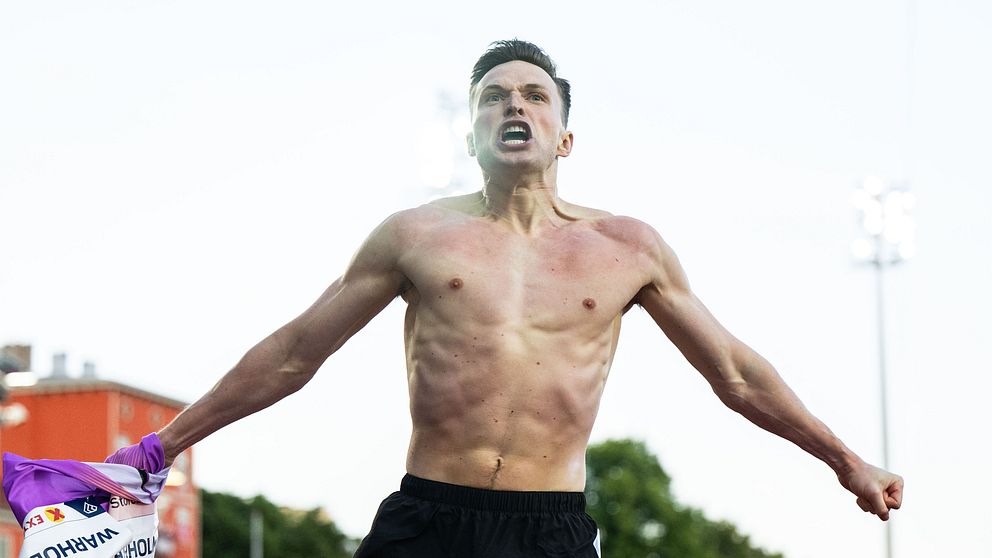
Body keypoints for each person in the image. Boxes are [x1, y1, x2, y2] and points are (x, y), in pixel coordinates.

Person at [117, 39, 903, 557]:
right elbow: (295, 353)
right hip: (426, 520)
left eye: (533, 95)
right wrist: (163, 446)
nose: (514, 105)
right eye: (493, 98)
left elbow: (734, 372)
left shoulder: (629, 248)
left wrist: (846, 462)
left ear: (565, 136)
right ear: (472, 136)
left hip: (549, 532)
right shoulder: (415, 236)